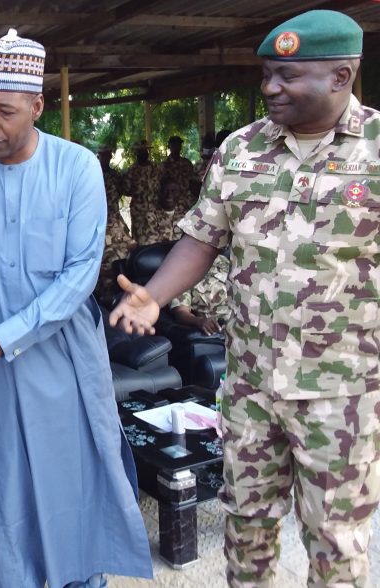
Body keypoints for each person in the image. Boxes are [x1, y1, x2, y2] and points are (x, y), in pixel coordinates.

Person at [110, 10, 378, 587]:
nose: (270, 88)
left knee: (336, 543)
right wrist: (153, 297)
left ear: (340, 76)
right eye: (266, 75)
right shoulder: (241, 147)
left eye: (287, 76)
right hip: (250, 383)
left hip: (343, 394)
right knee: (246, 525)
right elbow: (201, 239)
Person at [0, 29, 151, 588]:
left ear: (36, 106)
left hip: (67, 366)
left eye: (4, 111)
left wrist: (1, 339)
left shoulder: (77, 168)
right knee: (11, 490)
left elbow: (78, 279)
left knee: (76, 488)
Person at [95, 145, 136, 308]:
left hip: (113, 216)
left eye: (108, 155)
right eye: (103, 155)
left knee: (127, 251)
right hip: (96, 217)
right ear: (99, 156)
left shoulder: (114, 175)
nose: (106, 157)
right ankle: (103, 298)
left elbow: (124, 192)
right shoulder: (93, 172)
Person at [169, 254, 230, 336]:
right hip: (226, 327)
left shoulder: (223, 260)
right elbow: (181, 312)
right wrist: (200, 321)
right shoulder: (181, 272)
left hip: (247, 315)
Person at [125, 139, 161, 244]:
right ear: (136, 153)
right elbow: (126, 190)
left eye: (145, 150)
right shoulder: (132, 170)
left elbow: (162, 185)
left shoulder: (156, 168)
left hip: (155, 210)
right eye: (139, 151)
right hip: (139, 212)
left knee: (156, 238)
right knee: (139, 239)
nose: (143, 153)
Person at [138, 177, 182, 246]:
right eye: (165, 191)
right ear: (159, 193)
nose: (169, 195)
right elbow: (149, 244)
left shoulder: (187, 214)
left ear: (179, 193)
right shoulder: (150, 215)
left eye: (173, 191)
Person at [160, 135, 196, 217]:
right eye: (174, 145)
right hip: (170, 205)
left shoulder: (187, 164)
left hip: (186, 204)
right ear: (169, 146)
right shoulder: (164, 166)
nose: (177, 147)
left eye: (178, 144)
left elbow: (193, 183)